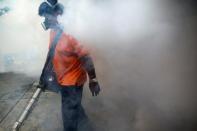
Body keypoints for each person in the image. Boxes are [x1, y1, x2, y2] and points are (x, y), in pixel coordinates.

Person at [37, 0, 101, 131]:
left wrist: (93, 80)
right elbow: (51, 53)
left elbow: (86, 58)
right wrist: (44, 75)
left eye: (46, 16)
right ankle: (88, 127)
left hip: (72, 82)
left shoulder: (70, 34)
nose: (45, 20)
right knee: (74, 106)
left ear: (56, 15)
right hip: (63, 79)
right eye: (43, 16)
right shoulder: (54, 31)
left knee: (69, 117)